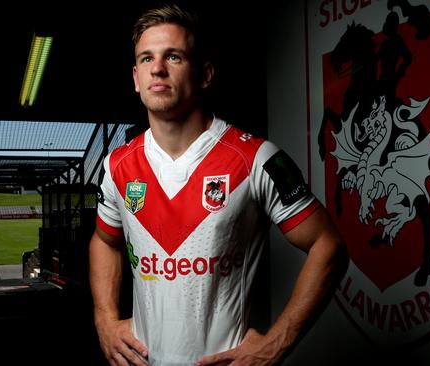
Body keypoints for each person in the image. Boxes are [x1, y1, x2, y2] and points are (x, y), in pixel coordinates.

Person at [89, 4, 347, 365]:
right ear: (135, 77)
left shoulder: (257, 158)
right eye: (146, 59)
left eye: (174, 57)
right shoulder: (117, 165)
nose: (157, 69)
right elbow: (105, 240)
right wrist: (104, 320)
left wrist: (277, 343)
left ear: (205, 73)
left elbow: (328, 245)